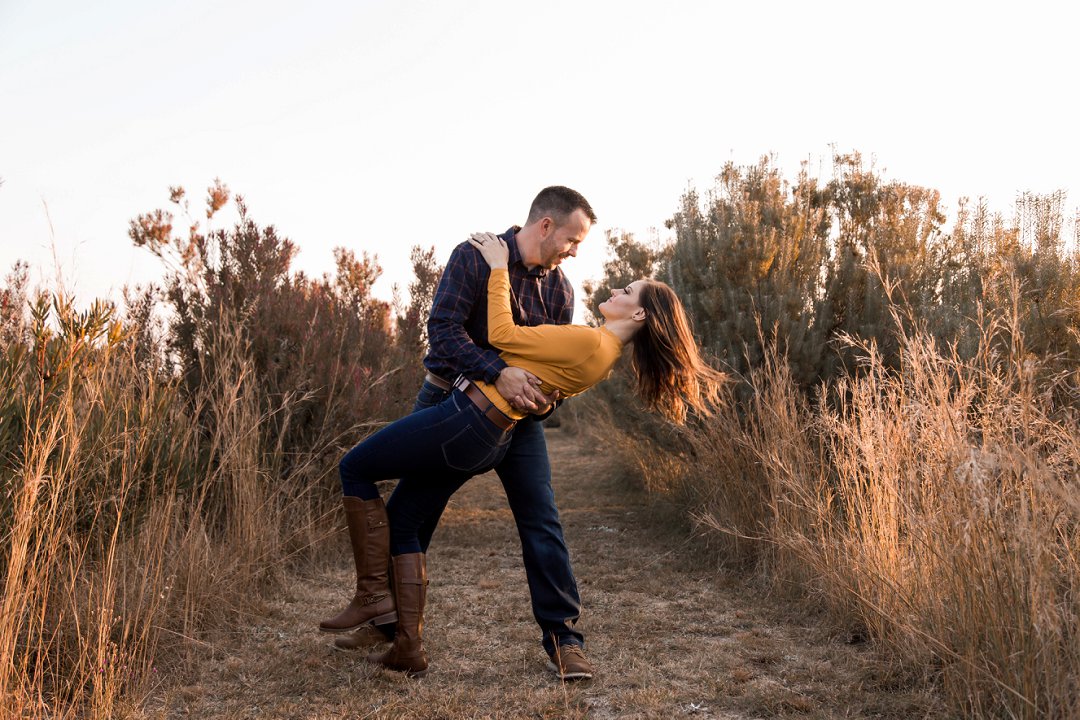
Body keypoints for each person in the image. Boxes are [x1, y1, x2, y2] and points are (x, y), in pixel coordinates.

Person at [319, 224, 725, 678]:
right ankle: (391, 627)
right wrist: (500, 371)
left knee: (540, 518)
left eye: (580, 247)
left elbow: (537, 354)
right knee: (410, 515)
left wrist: (547, 396)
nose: (573, 253)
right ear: (547, 225)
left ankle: (564, 639)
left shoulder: (562, 292)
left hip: (508, 419)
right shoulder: (477, 256)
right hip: (452, 397)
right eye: (572, 241)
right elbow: (445, 331)